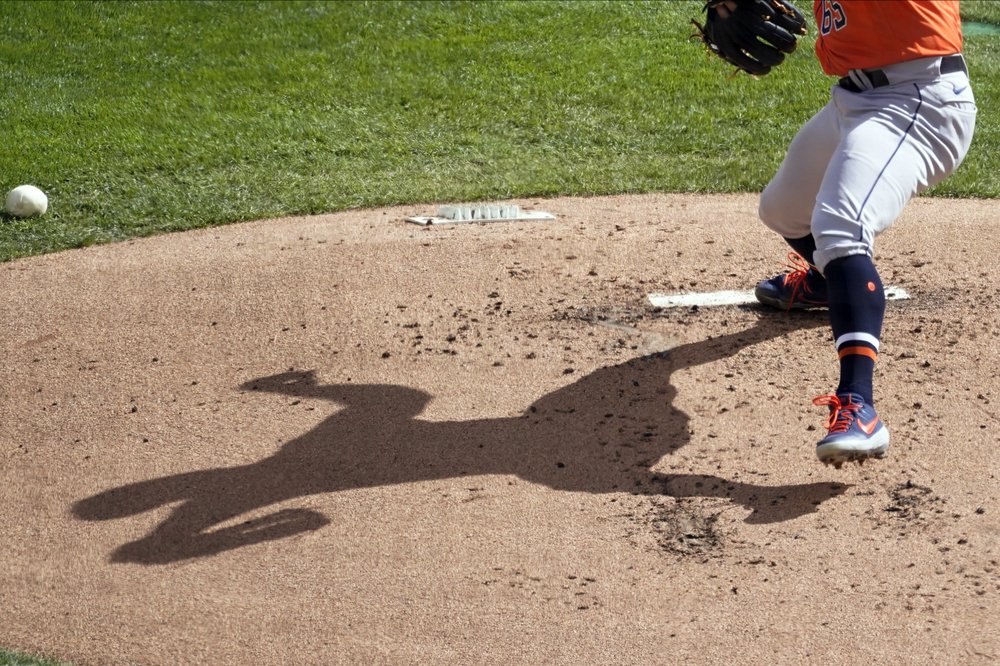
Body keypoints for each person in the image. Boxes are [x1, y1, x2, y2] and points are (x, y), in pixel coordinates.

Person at [752, 0, 977, 467]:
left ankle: (860, 406)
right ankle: (822, 286)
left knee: (840, 228)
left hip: (921, 100)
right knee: (783, 209)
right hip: (855, 98)